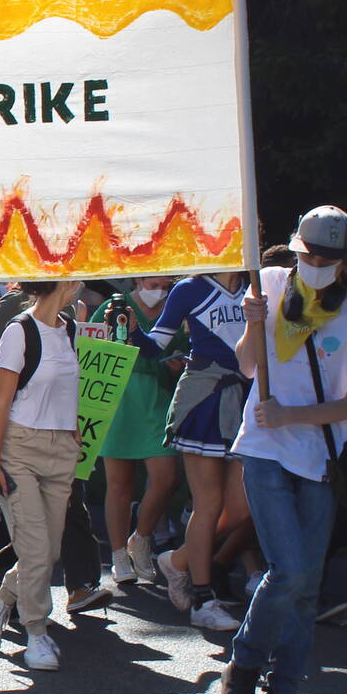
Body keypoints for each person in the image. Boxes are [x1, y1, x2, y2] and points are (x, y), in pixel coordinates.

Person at [218, 206, 347, 694]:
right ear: (295, 250)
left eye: (325, 258)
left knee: (307, 589)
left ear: (345, 259)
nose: (313, 265)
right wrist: (253, 322)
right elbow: (248, 366)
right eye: (306, 255)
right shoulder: (268, 283)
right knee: (288, 569)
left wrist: (292, 415)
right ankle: (245, 666)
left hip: (322, 456)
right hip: (265, 447)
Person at [0, 279, 93, 670]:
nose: (80, 282)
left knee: (49, 551)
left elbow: (67, 387)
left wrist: (74, 429)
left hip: (61, 449)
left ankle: (1, 599)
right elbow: (1, 402)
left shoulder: (70, 327)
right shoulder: (19, 330)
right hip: (20, 448)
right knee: (36, 550)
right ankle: (36, 632)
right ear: (61, 282)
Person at [134, 268, 254, 625]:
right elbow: (155, 345)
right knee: (208, 503)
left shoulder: (259, 286)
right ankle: (204, 600)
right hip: (204, 396)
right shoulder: (190, 288)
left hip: (248, 399)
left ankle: (178, 560)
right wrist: (131, 331)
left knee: (242, 507)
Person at [95, 277, 189, 600]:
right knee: (119, 482)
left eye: (164, 284)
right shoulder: (114, 306)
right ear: (138, 278)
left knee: (167, 477)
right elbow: (92, 348)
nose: (158, 289)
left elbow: (183, 351)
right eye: (152, 282)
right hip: (117, 397)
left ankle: (142, 537)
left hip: (158, 397)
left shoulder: (176, 307)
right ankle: (119, 555)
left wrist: (177, 367)